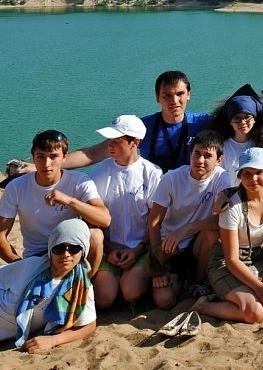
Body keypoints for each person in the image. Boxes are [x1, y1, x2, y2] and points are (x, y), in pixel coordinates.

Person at [13, 71, 212, 175]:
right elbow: (93, 154)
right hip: (155, 193)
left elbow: (232, 118)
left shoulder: (203, 123)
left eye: (180, 94)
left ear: (189, 95)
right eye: (167, 95)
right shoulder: (142, 127)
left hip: (191, 192)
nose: (174, 101)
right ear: (157, 97)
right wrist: (41, 166)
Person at [193, 147, 263, 324]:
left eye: (259, 172)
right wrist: (258, 287)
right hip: (228, 263)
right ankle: (204, 306)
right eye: (247, 174)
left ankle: (239, 295)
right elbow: (231, 259)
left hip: (260, 259)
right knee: (254, 312)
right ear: (240, 175)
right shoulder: (231, 207)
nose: (253, 179)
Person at [0, 130, 110, 275]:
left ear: (64, 157)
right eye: (41, 157)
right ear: (33, 157)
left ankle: (84, 282)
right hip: (36, 256)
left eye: (53, 157)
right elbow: (1, 234)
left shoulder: (79, 181)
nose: (47, 164)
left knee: (96, 236)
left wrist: (69, 201)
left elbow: (104, 219)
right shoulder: (16, 187)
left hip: (70, 251)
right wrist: (20, 265)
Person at [147, 130, 234, 309]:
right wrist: (158, 264)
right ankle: (178, 279)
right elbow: (154, 222)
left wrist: (187, 228)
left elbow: (223, 218)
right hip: (170, 245)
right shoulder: (172, 178)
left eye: (207, 156)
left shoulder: (222, 178)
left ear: (219, 160)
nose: (200, 160)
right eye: (197, 153)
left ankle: (197, 283)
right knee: (164, 300)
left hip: (197, 242)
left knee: (212, 234)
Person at [89, 115, 163, 309]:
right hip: (109, 248)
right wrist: (109, 250)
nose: (110, 145)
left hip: (140, 247)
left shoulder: (152, 173)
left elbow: (156, 220)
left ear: (135, 143)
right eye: (109, 140)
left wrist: (138, 249)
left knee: (131, 291)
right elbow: (93, 219)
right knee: (103, 298)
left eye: (117, 141)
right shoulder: (98, 174)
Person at [0, 219, 96, 353]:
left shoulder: (81, 284)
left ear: (83, 251)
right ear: (51, 250)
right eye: (59, 248)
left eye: (74, 248)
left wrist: (53, 340)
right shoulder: (31, 266)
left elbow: (89, 324)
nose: (66, 254)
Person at [211, 84, 263, 179]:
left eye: (247, 117)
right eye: (237, 118)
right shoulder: (222, 147)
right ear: (230, 122)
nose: (243, 122)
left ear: (255, 119)